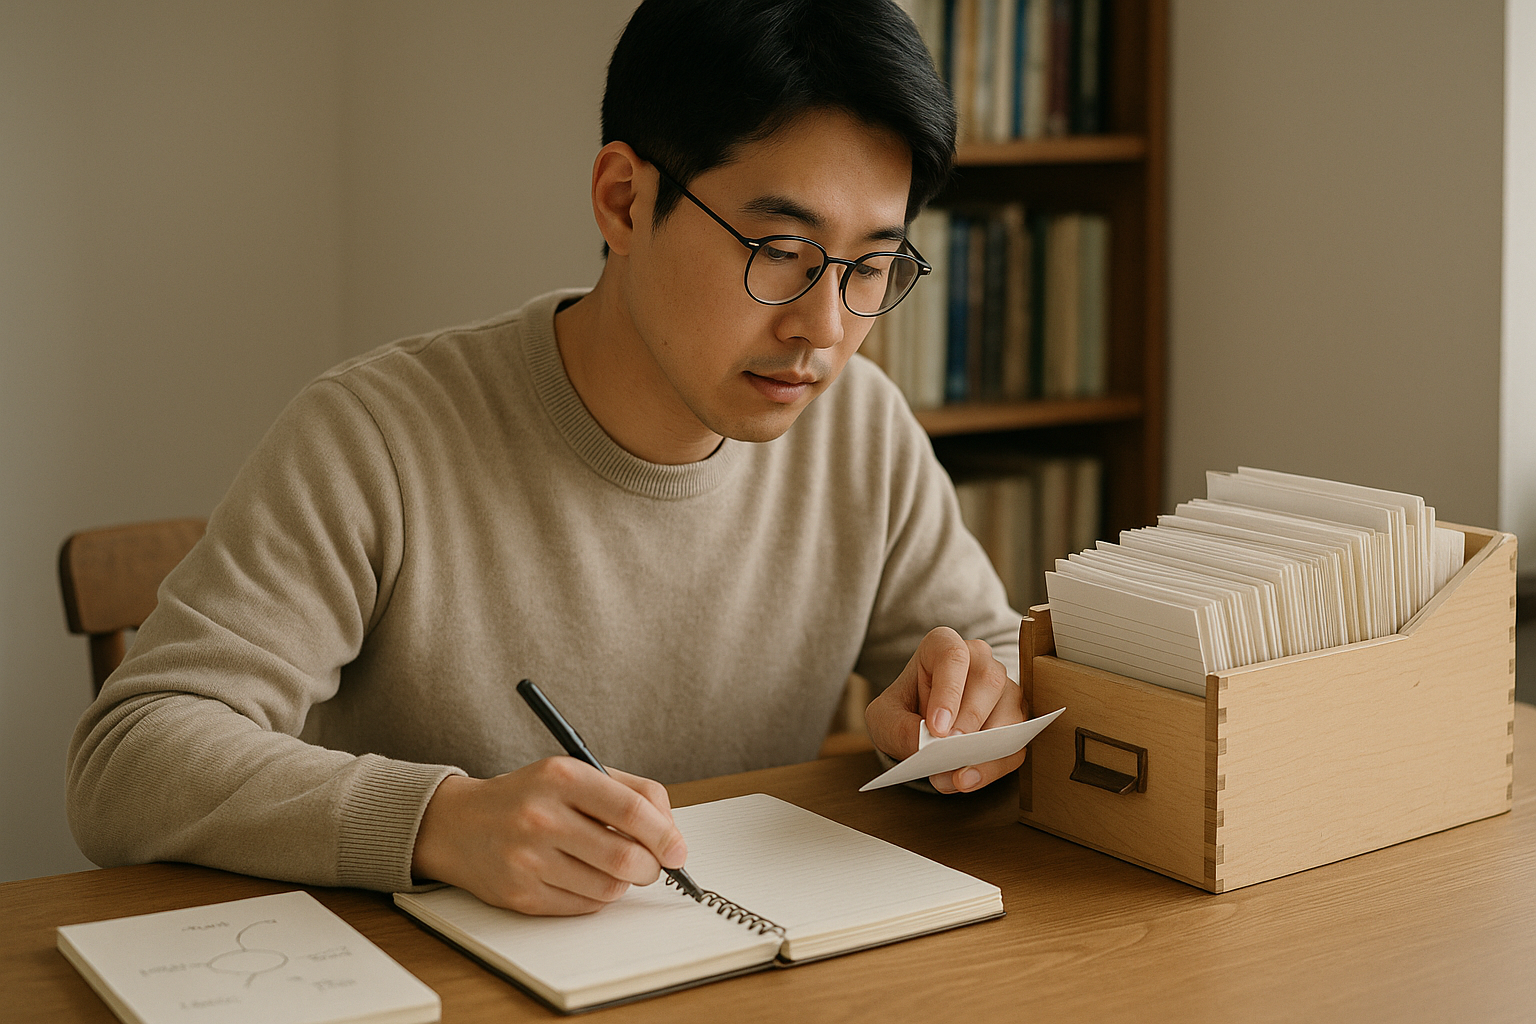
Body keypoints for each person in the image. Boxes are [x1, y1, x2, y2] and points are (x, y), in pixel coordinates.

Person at [67, 0, 1028, 918]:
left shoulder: (860, 427)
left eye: (870, 267)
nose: (823, 328)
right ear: (623, 199)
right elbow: (129, 757)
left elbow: (992, 659)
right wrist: (436, 822)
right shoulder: (376, 437)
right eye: (780, 248)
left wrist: (971, 707)